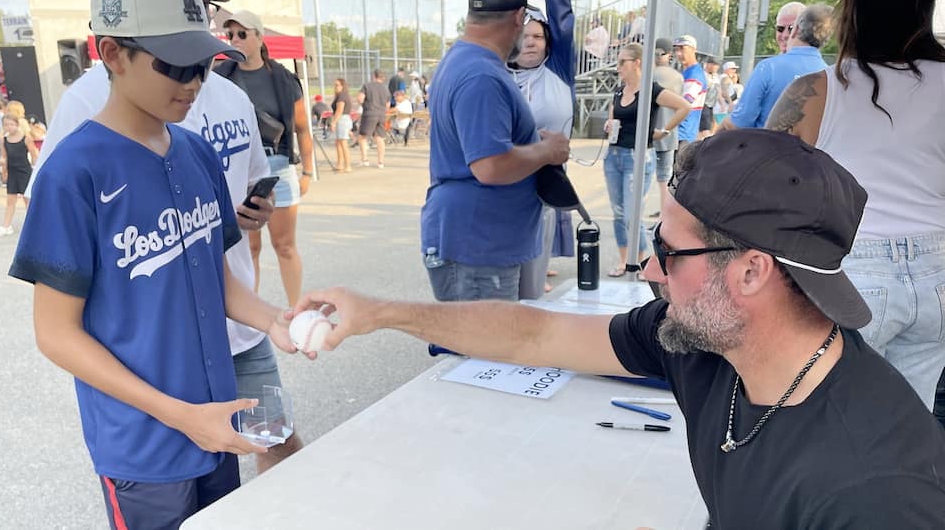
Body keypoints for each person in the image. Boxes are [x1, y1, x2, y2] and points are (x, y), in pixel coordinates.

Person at [286, 129, 945, 528]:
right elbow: (533, 336)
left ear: (751, 272)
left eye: (669, 250)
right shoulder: (714, 344)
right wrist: (382, 313)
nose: (650, 267)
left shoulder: (875, 491)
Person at [9, 0, 297, 526]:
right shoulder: (74, 172)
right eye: (175, 64)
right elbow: (55, 333)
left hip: (215, 420)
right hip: (143, 442)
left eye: (202, 63)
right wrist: (180, 416)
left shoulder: (195, 153)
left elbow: (215, 278)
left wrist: (275, 318)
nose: (194, 82)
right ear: (113, 53)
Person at [766, 0, 945, 412]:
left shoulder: (816, 90)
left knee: (833, 422)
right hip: (939, 270)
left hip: (851, 266)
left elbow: (766, 182)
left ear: (853, 8)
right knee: (910, 424)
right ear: (925, 7)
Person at [422, 0, 570, 302]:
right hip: (478, 247)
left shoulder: (465, 62)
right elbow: (490, 165)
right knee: (484, 351)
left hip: (479, 243)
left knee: (483, 349)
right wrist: (549, 151)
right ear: (519, 16)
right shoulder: (481, 75)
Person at [216, 9, 315, 307]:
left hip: (277, 167)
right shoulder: (220, 77)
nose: (235, 40)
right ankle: (253, 311)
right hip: (239, 168)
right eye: (230, 35)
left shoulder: (284, 79)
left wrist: (308, 171)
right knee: (250, 247)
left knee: (284, 245)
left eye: (242, 34)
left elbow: (301, 127)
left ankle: (298, 310)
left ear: (259, 37)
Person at [507, 0, 575, 299]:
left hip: (543, 192)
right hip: (502, 191)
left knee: (531, 290)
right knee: (499, 287)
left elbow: (563, 16)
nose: (531, 41)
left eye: (538, 36)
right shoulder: (497, 76)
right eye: (524, 35)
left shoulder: (558, 70)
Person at [604, 43, 690, 277]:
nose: (619, 66)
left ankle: (640, 261)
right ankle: (624, 260)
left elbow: (684, 106)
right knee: (619, 212)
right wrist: (609, 126)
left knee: (633, 212)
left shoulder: (651, 89)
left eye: (623, 62)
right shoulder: (620, 91)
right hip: (614, 154)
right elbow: (613, 119)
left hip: (638, 156)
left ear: (637, 63)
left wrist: (664, 130)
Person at [720, 4, 832, 131]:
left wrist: (721, 126)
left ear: (797, 30)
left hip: (766, 148)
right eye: (780, 28)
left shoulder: (768, 68)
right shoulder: (830, 76)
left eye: (790, 28)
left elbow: (739, 124)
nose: (784, 35)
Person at [650, 37, 684, 218]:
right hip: (669, 133)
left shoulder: (648, 75)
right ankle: (664, 217)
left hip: (648, 133)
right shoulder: (678, 77)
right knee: (665, 179)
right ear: (669, 54)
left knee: (644, 177)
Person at [0, 114, 37, 237]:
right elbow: (4, 156)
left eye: (11, 124)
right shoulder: (4, 140)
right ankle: (6, 226)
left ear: (17, 125)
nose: (9, 127)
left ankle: (34, 226)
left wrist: (36, 170)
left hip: (25, 171)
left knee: (28, 201)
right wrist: (3, 168)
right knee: (10, 201)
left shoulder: (26, 138)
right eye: (6, 125)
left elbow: (34, 154)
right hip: (12, 172)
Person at [672, 35, 705, 147]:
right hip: (682, 132)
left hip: (683, 133)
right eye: (676, 49)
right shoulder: (686, 72)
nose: (678, 53)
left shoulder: (694, 74)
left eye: (682, 49)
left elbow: (685, 102)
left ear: (693, 50)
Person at [356, 69, 391, 168]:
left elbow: (360, 98)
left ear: (373, 76)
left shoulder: (367, 86)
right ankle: (380, 162)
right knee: (379, 138)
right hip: (381, 114)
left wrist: (363, 104)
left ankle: (365, 159)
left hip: (369, 113)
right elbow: (387, 104)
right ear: (383, 78)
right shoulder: (385, 89)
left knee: (362, 137)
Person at [330, 78, 353, 172]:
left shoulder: (342, 96)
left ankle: (348, 165)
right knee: (338, 143)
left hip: (342, 119)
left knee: (343, 143)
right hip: (341, 119)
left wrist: (333, 122)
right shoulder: (340, 96)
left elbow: (339, 110)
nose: (335, 87)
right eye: (335, 85)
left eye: (337, 85)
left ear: (343, 86)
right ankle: (340, 164)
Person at [698, 57, 721, 139]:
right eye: (715, 65)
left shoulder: (716, 76)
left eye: (717, 65)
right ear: (709, 64)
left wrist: (721, 103)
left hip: (711, 105)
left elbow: (718, 90)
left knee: (709, 126)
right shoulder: (702, 75)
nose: (717, 67)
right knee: (705, 129)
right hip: (703, 104)